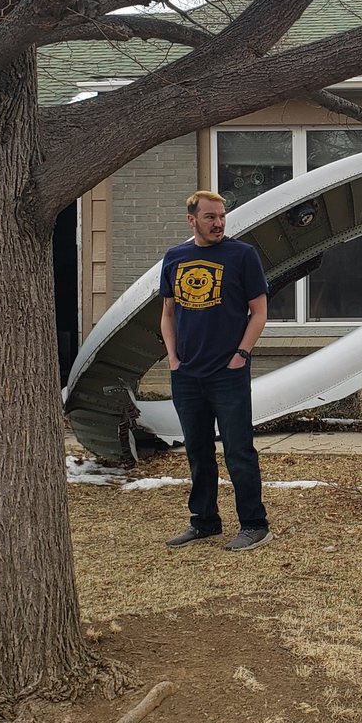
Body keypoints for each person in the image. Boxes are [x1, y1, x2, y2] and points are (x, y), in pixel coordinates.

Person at [160, 190, 272, 552]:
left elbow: (259, 312)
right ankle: (204, 522)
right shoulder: (175, 258)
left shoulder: (242, 255)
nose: (219, 223)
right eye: (210, 217)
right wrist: (173, 359)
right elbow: (168, 313)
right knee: (198, 451)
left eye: (222, 216)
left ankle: (255, 524)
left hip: (228, 373)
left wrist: (241, 354)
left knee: (239, 451)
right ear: (192, 220)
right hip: (187, 374)